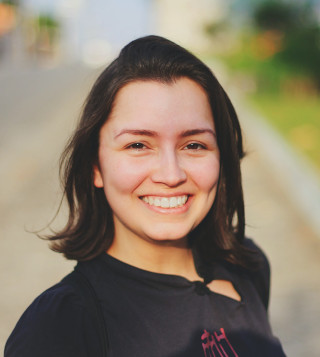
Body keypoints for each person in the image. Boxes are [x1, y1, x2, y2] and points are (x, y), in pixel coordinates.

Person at [5, 35, 286, 357]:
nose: (171, 175)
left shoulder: (247, 265)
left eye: (194, 145)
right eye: (137, 145)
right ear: (95, 166)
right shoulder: (60, 326)